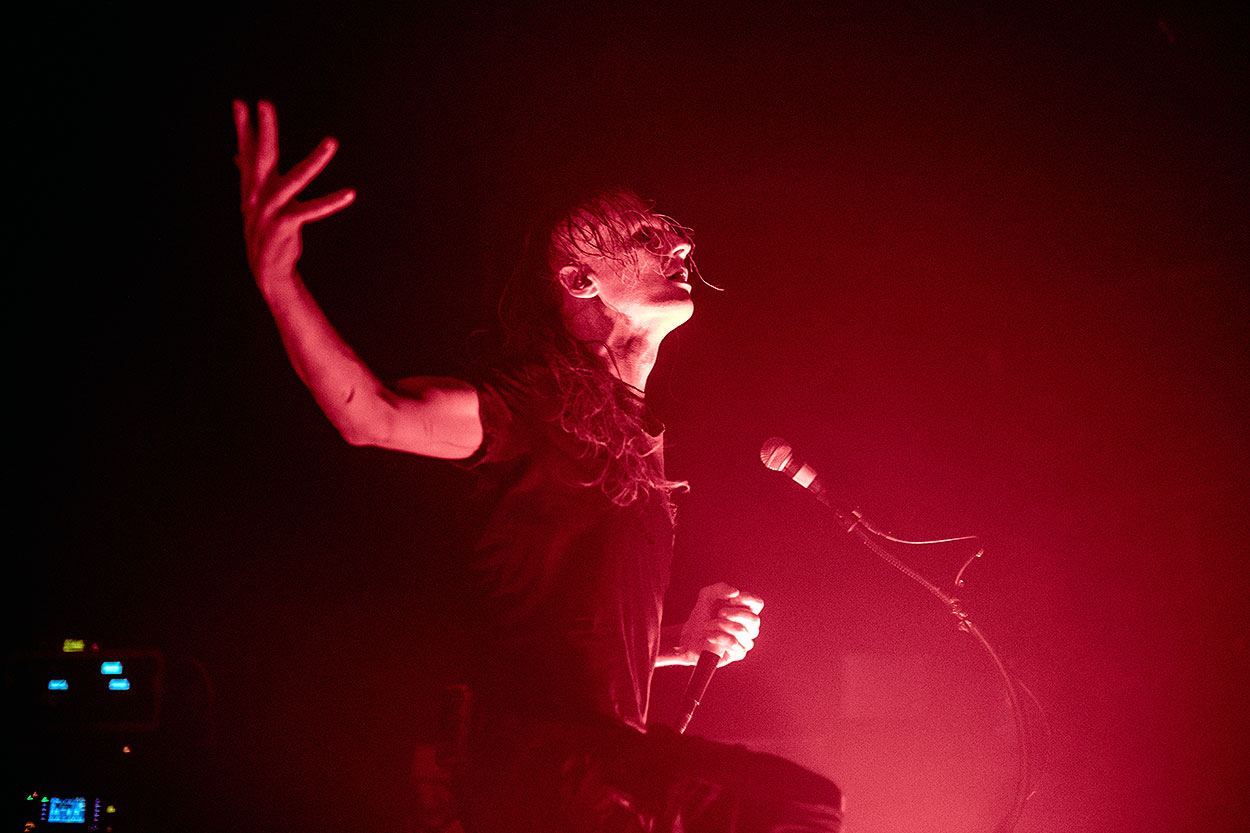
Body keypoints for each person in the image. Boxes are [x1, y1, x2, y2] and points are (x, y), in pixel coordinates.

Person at [232, 99, 843, 832]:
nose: (679, 243)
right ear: (580, 281)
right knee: (797, 806)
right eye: (643, 236)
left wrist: (678, 641)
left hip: (581, 769)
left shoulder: (633, 433)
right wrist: (280, 284)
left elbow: (568, 653)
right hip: (535, 765)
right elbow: (374, 414)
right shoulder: (537, 407)